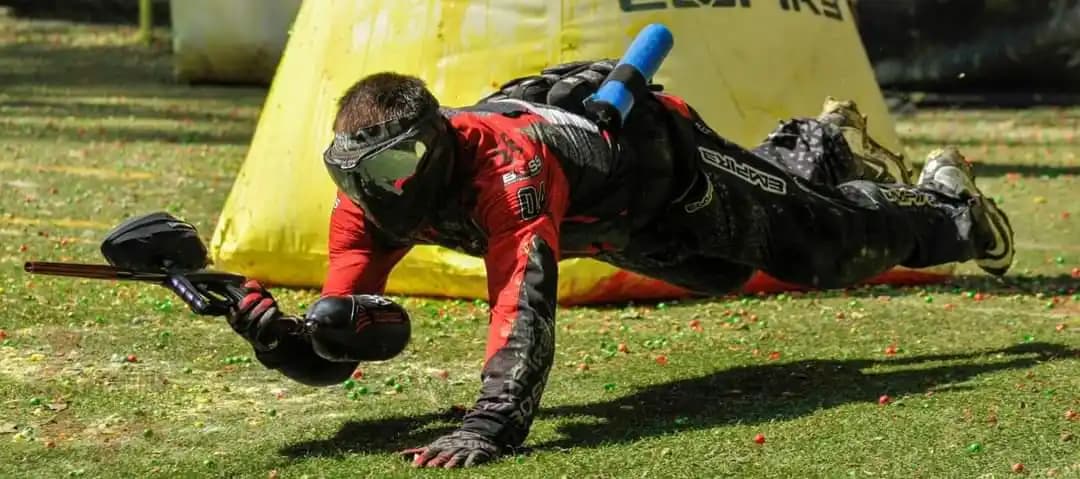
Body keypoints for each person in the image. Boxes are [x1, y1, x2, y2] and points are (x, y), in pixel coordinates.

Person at [225, 60, 1014, 468]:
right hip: (624, 231)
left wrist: (492, 423)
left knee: (823, 251)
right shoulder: (370, 198)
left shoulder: (507, 167)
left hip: (676, 176)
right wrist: (285, 340)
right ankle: (818, 148)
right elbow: (346, 331)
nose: (371, 192)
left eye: (389, 169)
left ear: (431, 144)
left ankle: (953, 209)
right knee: (725, 275)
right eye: (354, 175)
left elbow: (523, 298)